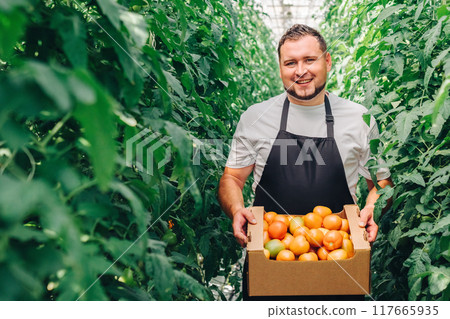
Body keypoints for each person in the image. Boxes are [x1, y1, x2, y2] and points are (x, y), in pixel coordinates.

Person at [217, 24, 393, 300]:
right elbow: (232, 179)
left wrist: (372, 206)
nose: (300, 71)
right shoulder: (256, 117)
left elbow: (381, 184)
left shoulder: (360, 118)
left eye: (309, 59)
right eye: (290, 63)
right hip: (270, 264)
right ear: (280, 67)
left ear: (327, 60)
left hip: (341, 264)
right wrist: (237, 209)